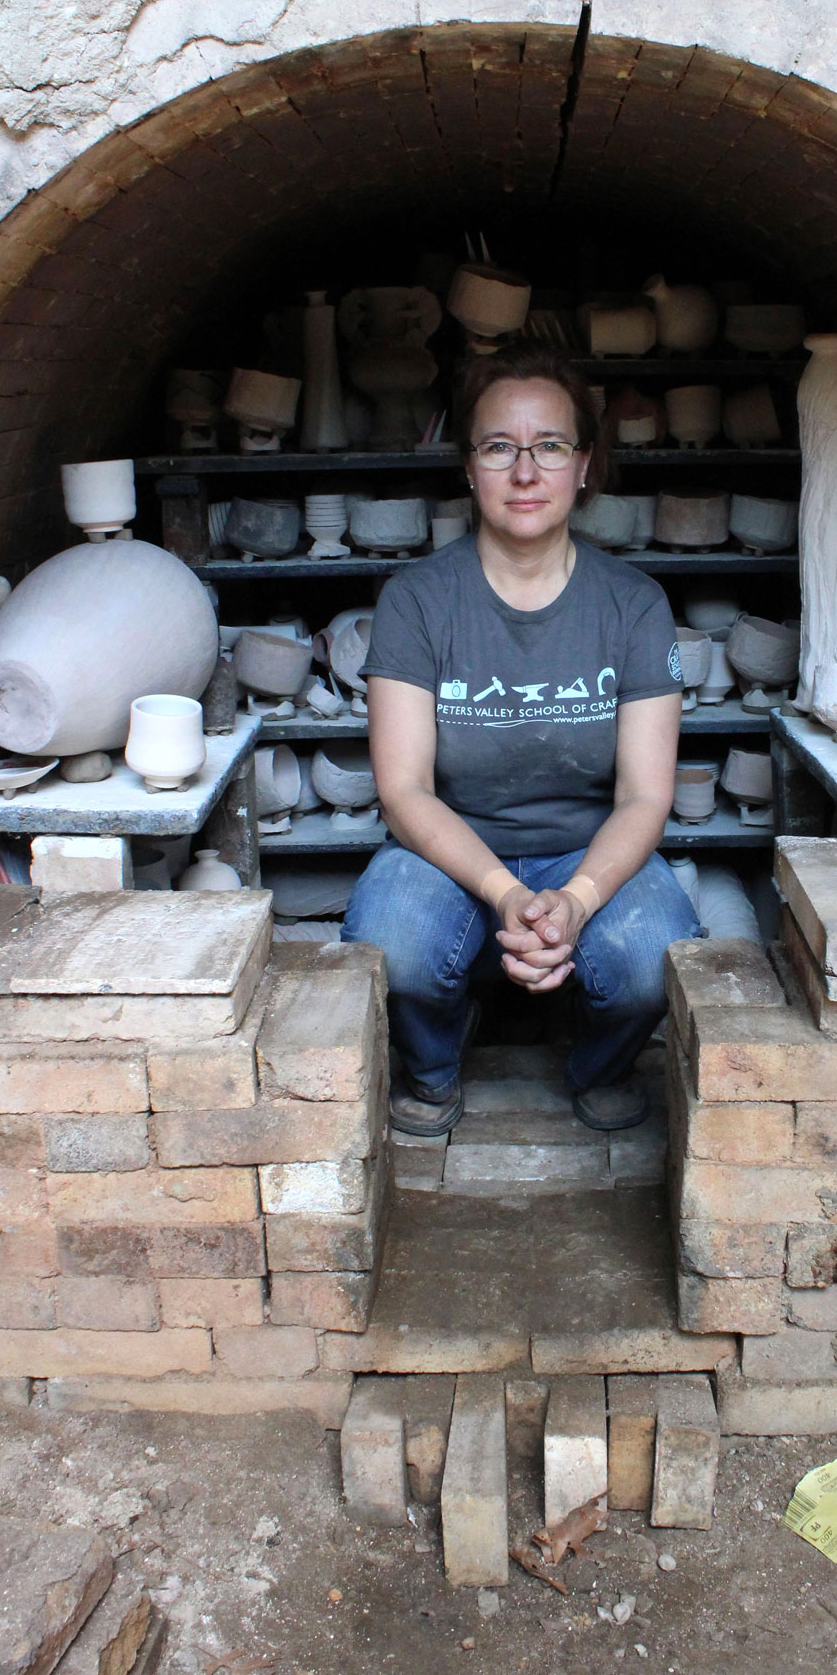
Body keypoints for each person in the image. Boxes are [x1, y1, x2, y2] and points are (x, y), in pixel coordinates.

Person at [341, 340, 700, 1138]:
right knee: (390, 942)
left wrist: (575, 898)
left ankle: (597, 1066)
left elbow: (646, 794)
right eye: (500, 446)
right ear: (469, 468)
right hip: (453, 852)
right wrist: (507, 892)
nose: (526, 471)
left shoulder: (633, 605)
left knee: (656, 956)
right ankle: (433, 1068)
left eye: (550, 446)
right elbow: (403, 790)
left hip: (591, 850)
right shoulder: (418, 601)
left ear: (584, 466)